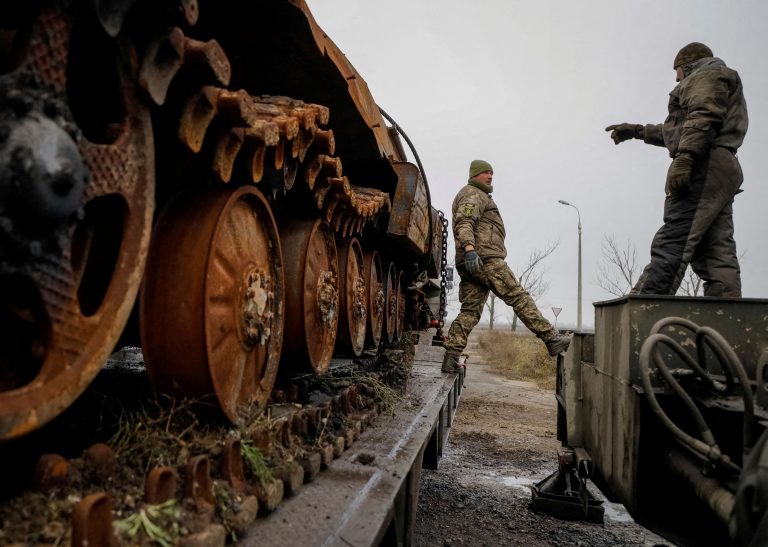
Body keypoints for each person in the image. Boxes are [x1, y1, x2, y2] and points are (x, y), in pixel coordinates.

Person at [606, 42, 748, 297]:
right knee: (716, 250)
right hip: (721, 167)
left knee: (674, 239)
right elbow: (680, 131)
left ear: (688, 66)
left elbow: (701, 118)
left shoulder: (707, 75)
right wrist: (637, 131)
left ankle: (646, 307)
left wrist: (685, 159)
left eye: (678, 71)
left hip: (704, 165)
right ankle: (726, 322)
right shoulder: (716, 79)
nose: (676, 77)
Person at [441, 159, 571, 373]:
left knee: (470, 311)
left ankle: (451, 357)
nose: (490, 176)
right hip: (484, 259)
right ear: (474, 175)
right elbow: (464, 222)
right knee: (518, 296)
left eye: (492, 173)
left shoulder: (475, 194)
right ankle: (551, 338)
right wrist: (470, 248)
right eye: (485, 172)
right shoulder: (473, 193)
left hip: (472, 261)